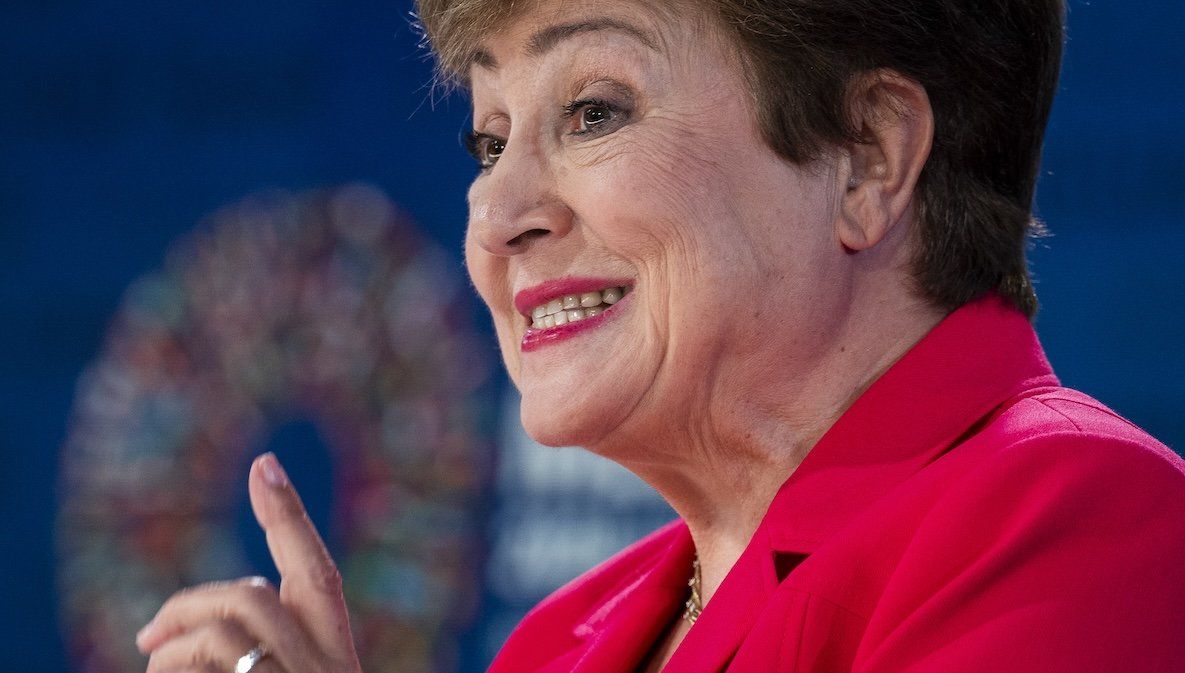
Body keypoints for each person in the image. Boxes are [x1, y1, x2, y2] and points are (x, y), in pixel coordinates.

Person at [136, 0, 1185, 671]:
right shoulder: (558, 645)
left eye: (593, 110)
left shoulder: (1078, 520)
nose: (497, 220)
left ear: (866, 156)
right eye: (489, 138)